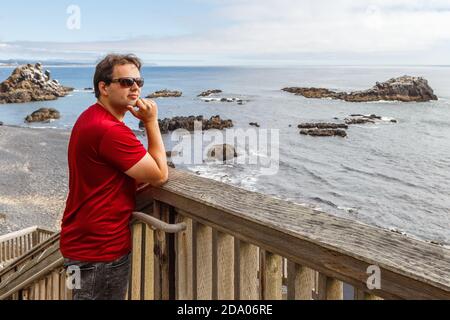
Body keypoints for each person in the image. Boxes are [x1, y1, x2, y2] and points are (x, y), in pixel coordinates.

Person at [60, 54, 169, 300]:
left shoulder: (90, 116)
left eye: (139, 82)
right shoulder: (109, 130)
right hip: (101, 250)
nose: (135, 88)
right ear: (104, 87)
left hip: (81, 244)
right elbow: (160, 175)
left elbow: (109, 172)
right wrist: (151, 122)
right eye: (126, 81)